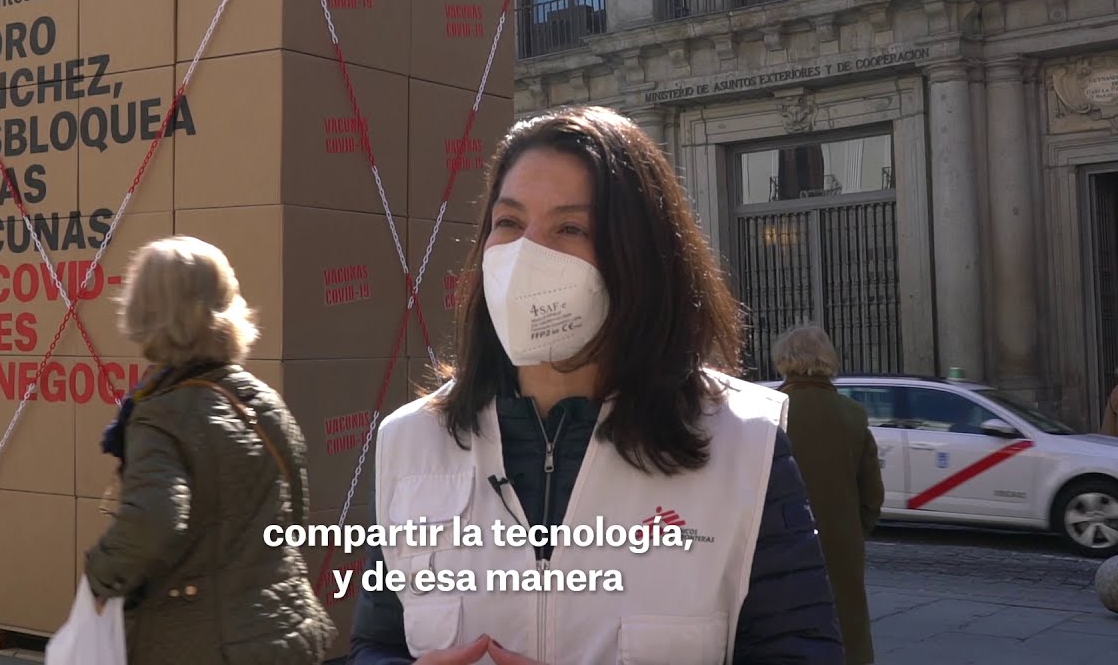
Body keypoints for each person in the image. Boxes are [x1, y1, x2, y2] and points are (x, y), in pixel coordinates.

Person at [348, 106, 844, 664]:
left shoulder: (742, 445)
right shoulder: (412, 441)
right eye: (508, 223)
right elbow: (377, 643)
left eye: (570, 228)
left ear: (639, 257)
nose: (525, 257)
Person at [83, 235, 336, 664]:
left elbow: (153, 518)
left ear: (144, 310)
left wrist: (100, 574)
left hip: (203, 643)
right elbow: (295, 513)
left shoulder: (161, 414)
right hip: (287, 631)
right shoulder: (262, 401)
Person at [772, 324, 884, 665]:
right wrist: (852, 529)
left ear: (783, 360)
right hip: (840, 541)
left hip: (781, 541)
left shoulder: (768, 412)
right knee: (846, 624)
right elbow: (872, 494)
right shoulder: (852, 415)